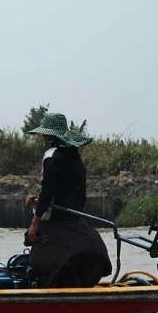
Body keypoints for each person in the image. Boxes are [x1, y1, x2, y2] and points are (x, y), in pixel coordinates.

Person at [25, 112, 111, 288]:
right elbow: (70, 190)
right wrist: (40, 199)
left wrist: (34, 225)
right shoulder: (74, 156)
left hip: (56, 216)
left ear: (48, 134)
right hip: (73, 215)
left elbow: (48, 192)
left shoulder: (51, 156)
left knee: (35, 251)